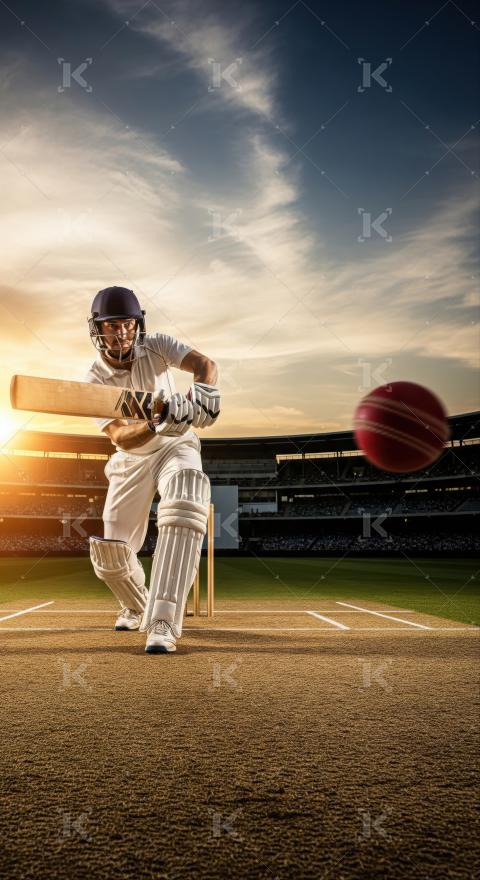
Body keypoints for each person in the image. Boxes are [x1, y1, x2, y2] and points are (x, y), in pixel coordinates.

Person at [84, 286, 220, 654]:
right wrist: (155, 423)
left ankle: (163, 620)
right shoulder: (93, 380)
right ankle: (135, 603)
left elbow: (205, 365)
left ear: (138, 324)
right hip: (132, 457)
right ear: (98, 329)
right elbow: (120, 436)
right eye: (113, 326)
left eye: (128, 324)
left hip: (176, 444)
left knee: (187, 494)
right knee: (111, 557)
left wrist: (201, 396)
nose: (122, 333)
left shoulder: (157, 345)